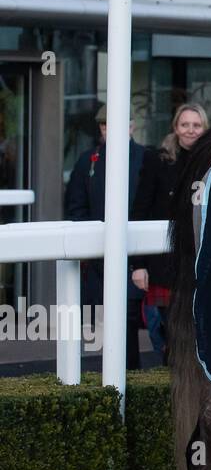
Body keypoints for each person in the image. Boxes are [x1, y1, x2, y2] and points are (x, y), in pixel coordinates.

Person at [64, 104, 168, 370]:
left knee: (131, 319)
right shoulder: (88, 161)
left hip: (137, 255)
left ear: (131, 126)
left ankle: (130, 380)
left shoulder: (148, 159)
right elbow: (75, 208)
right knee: (105, 326)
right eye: (105, 125)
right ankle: (111, 386)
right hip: (99, 261)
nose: (110, 130)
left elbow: (153, 206)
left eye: (117, 124)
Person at [138, 103, 209, 357]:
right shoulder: (157, 160)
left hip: (197, 259)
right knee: (162, 328)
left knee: (193, 329)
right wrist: (138, 264)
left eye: (196, 125)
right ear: (175, 127)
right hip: (161, 262)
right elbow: (141, 209)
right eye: (185, 124)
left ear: (204, 128)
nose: (191, 130)